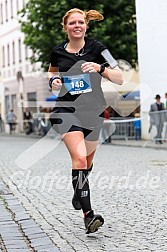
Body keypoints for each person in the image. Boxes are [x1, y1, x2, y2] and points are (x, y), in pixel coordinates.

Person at [48, 8, 123, 234]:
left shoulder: (99, 49)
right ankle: (88, 215)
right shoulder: (57, 52)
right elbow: (51, 73)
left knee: (86, 164)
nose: (77, 26)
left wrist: (101, 68)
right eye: (73, 23)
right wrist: (53, 82)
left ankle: (78, 191)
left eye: (81, 22)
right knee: (79, 159)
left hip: (93, 112)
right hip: (66, 110)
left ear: (86, 26)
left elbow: (120, 77)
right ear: (66, 27)